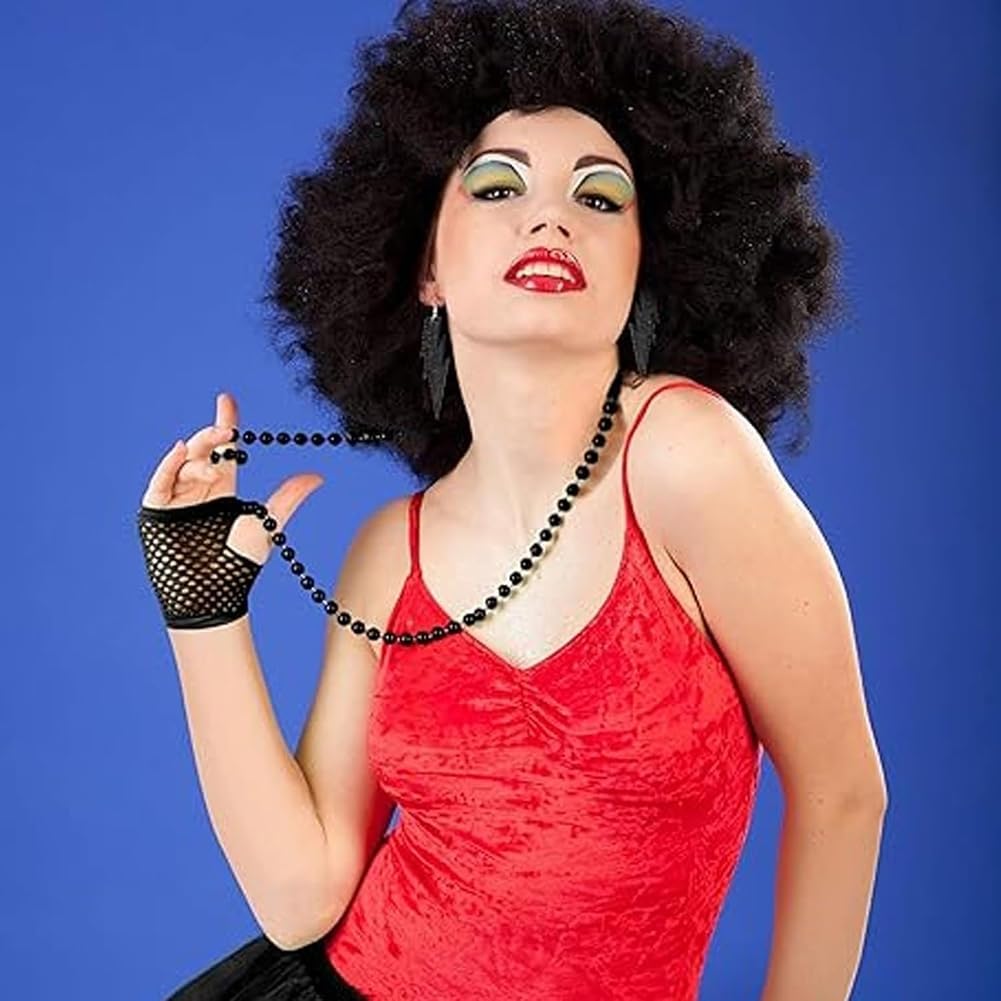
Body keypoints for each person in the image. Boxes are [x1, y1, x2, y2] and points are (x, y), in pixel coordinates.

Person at [138, 1, 888, 998]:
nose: (550, 217)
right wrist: (201, 605)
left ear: (644, 266)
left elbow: (842, 794)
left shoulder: (686, 455)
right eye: (498, 185)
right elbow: (300, 897)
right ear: (426, 268)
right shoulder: (388, 551)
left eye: (600, 196)